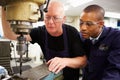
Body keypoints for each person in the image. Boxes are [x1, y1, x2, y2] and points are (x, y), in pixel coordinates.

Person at [1, 1, 87, 80]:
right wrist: (3, 7)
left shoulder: (71, 33)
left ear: (63, 19)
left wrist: (65, 61)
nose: (50, 22)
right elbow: (9, 35)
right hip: (51, 76)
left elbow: (83, 61)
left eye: (55, 18)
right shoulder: (40, 32)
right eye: (47, 17)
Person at [79, 4, 120, 80]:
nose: (83, 28)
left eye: (89, 24)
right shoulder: (82, 37)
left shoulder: (116, 37)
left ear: (101, 24)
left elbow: (114, 69)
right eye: (81, 22)